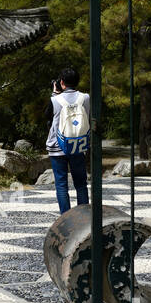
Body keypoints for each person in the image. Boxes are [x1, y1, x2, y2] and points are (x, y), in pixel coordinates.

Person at [46, 66, 90, 213]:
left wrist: (55, 93)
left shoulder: (55, 100)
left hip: (57, 146)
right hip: (78, 144)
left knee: (61, 185)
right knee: (81, 184)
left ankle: (66, 217)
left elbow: (48, 118)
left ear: (62, 82)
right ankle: (83, 216)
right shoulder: (86, 97)